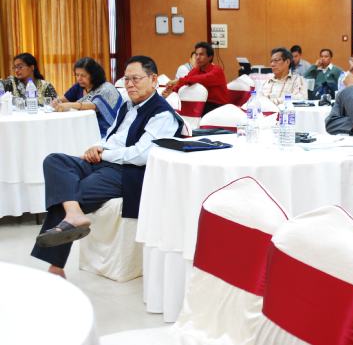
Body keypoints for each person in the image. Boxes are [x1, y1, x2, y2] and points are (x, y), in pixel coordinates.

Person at [31, 55, 183, 279]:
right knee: (54, 160)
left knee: (71, 192)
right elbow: (111, 135)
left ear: (153, 80)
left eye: (136, 79)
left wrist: (105, 154)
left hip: (127, 171)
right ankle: (73, 213)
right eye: (127, 79)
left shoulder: (162, 114)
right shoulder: (127, 106)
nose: (130, 84)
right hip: (104, 161)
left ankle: (56, 268)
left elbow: (141, 154)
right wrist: (97, 147)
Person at [55, 57, 122, 138]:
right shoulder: (79, 86)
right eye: (77, 75)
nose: (79, 79)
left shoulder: (106, 88)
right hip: (83, 126)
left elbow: (94, 106)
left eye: (83, 75)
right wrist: (56, 102)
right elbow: (63, 99)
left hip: (104, 130)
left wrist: (70, 105)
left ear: (93, 75)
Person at [163, 41, 228, 115]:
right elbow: (185, 82)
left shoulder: (217, 70)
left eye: (201, 54)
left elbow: (202, 79)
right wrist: (171, 91)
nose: (198, 57)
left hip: (218, 107)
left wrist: (178, 81)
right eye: (196, 54)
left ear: (210, 57)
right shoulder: (196, 70)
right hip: (201, 104)